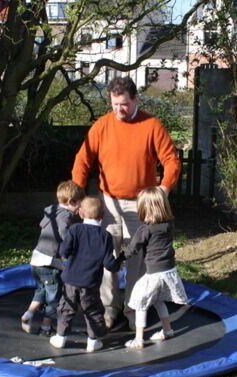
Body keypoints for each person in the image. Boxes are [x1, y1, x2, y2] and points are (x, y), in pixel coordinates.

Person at [71, 76, 181, 329]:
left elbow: (172, 161)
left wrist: (163, 190)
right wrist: (78, 195)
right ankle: (109, 309)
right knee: (107, 256)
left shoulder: (151, 125)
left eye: (124, 104)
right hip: (108, 203)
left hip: (140, 205)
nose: (119, 109)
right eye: (115, 104)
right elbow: (82, 160)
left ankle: (134, 310)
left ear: (135, 100)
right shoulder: (102, 126)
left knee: (137, 260)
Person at [49, 196, 122, 352]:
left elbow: (64, 252)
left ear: (81, 213)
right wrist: (118, 264)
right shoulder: (105, 236)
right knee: (93, 310)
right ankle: (93, 340)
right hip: (90, 283)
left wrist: (66, 254)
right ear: (102, 215)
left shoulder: (75, 230)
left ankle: (61, 337)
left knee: (66, 307)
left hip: (71, 280)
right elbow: (109, 263)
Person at [121, 187, 187, 349]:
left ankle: (138, 339)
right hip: (169, 270)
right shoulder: (168, 225)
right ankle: (167, 329)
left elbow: (132, 249)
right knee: (158, 299)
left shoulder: (145, 229)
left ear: (145, 208)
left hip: (154, 273)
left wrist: (119, 259)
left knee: (140, 302)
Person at [21, 180, 85, 336]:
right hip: (49, 263)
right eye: (79, 204)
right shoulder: (66, 216)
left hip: (36, 259)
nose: (80, 208)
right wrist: (73, 246)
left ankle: (28, 314)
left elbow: (43, 225)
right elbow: (64, 233)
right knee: (54, 297)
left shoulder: (52, 211)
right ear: (71, 202)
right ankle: (46, 327)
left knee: (41, 290)